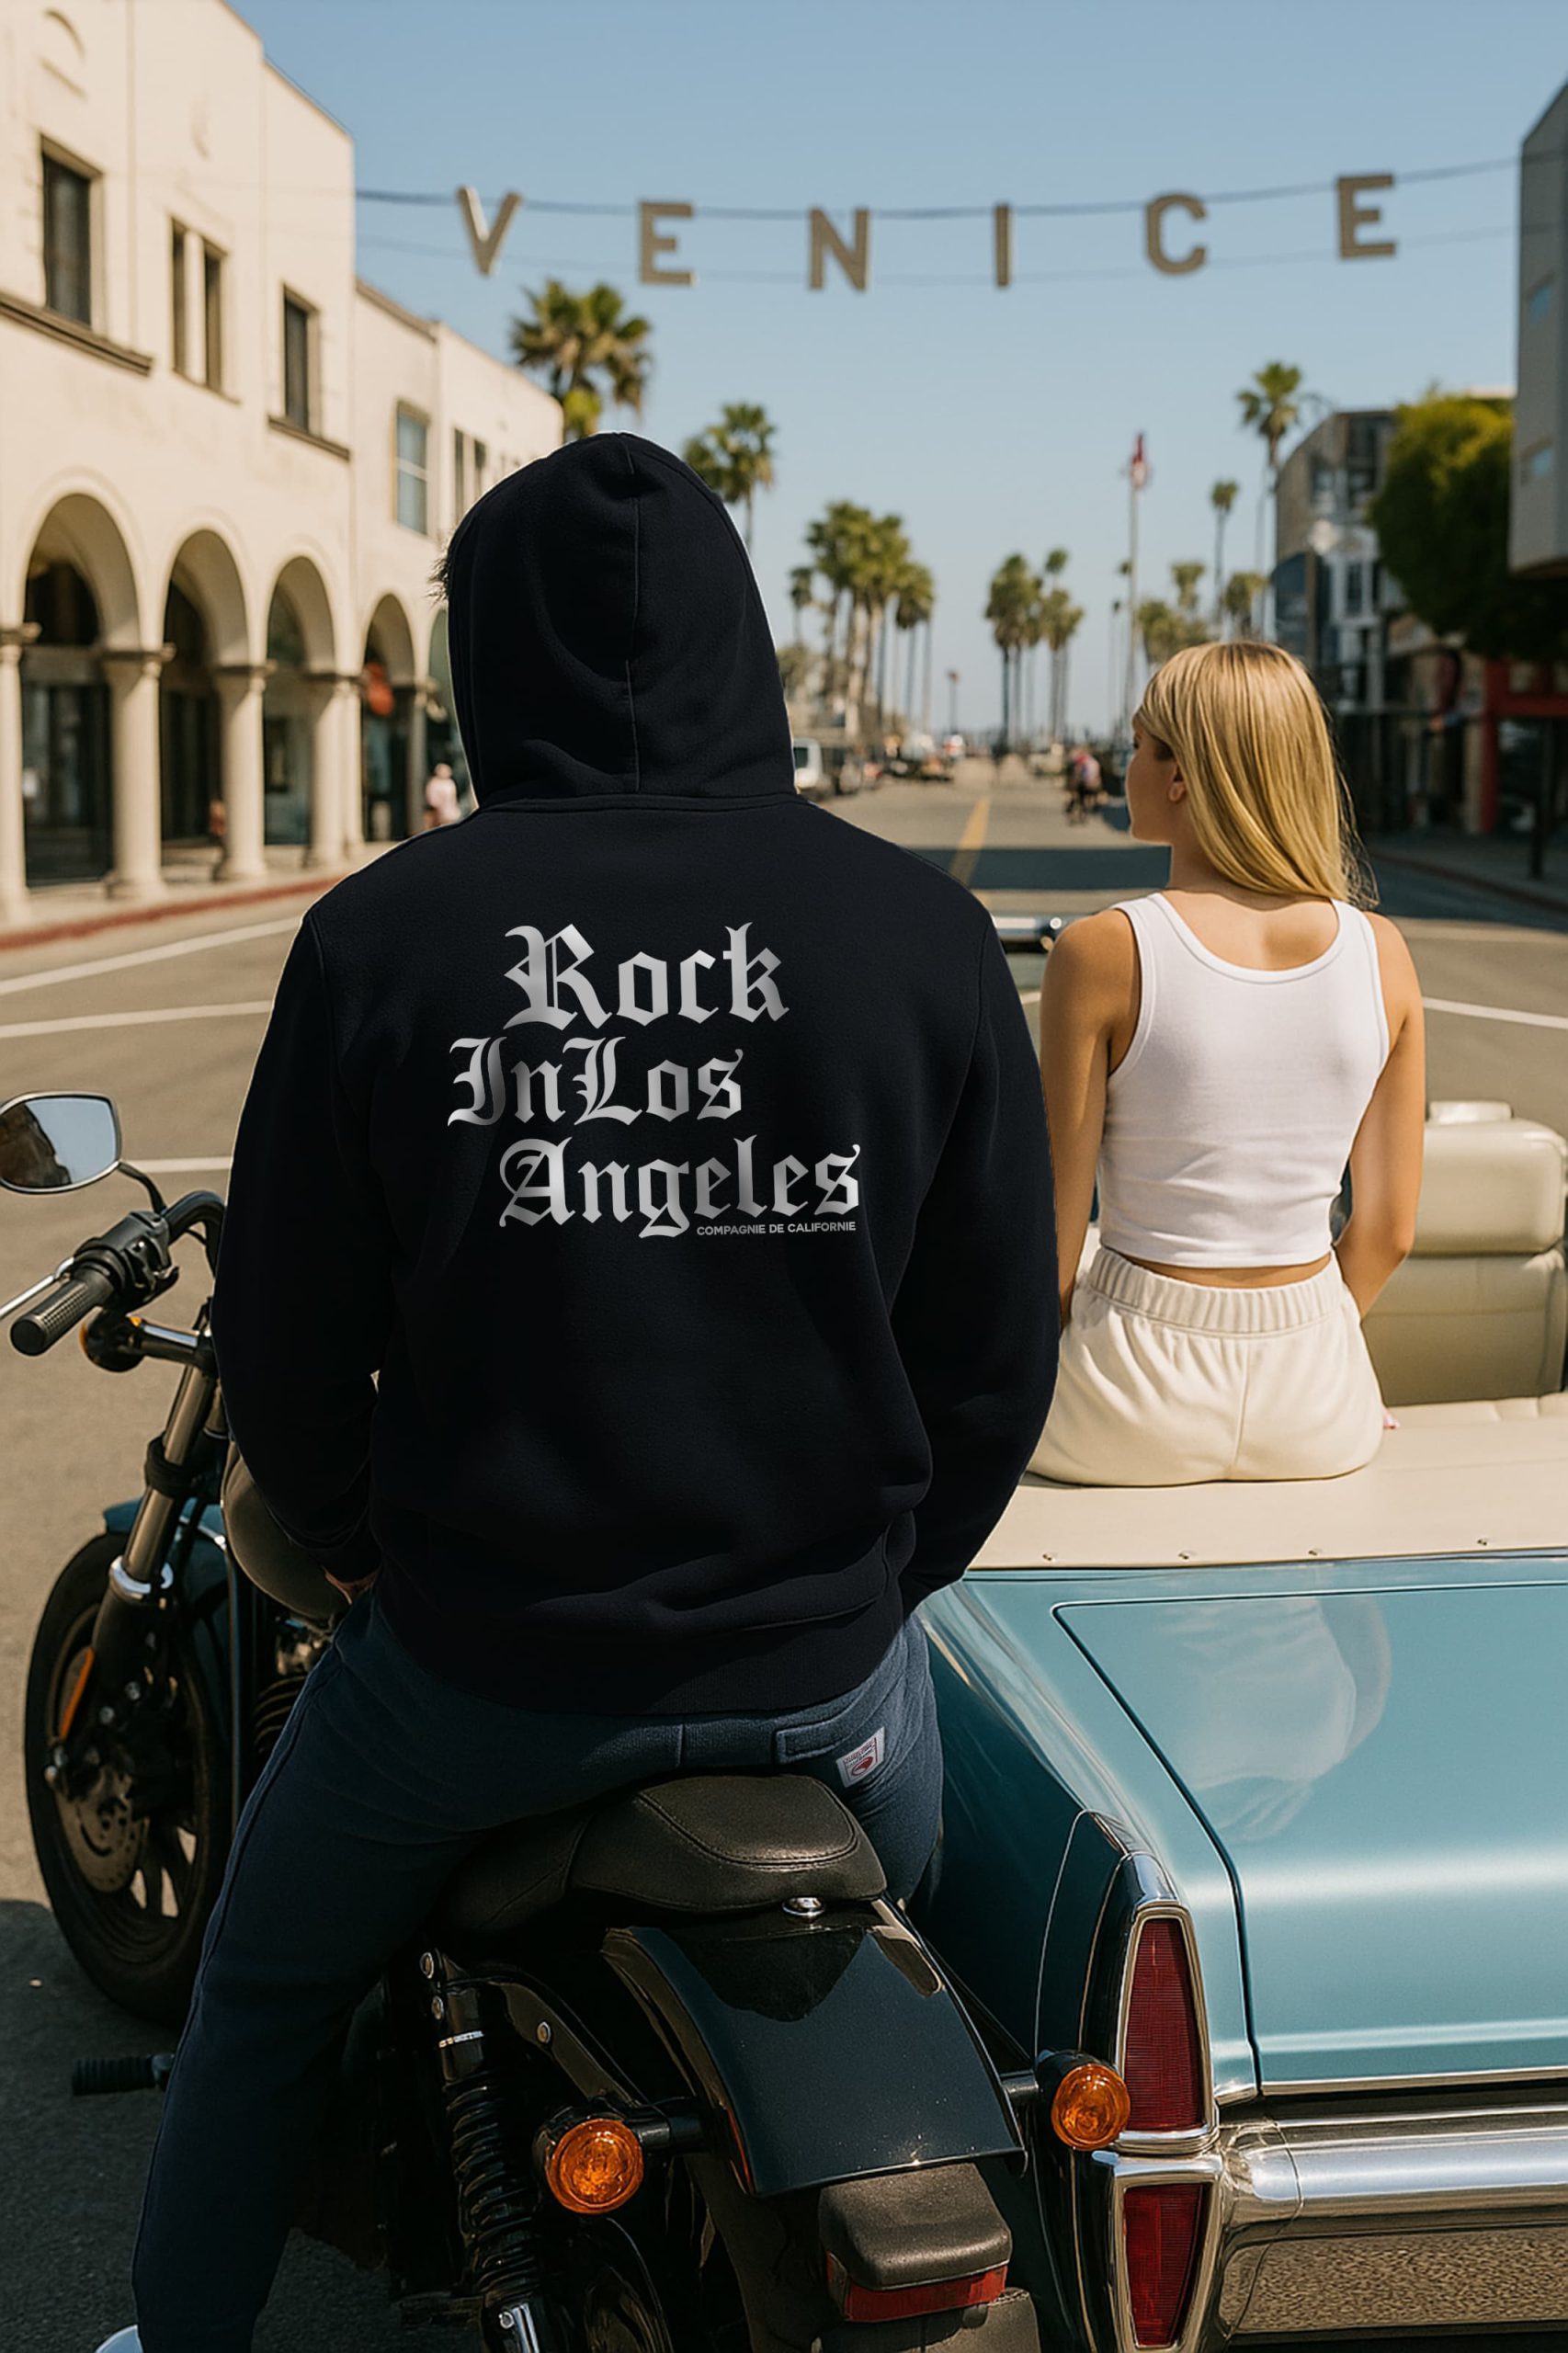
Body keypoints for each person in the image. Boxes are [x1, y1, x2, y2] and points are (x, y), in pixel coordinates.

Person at [113, 434, 1056, 2353]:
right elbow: (995, 1355)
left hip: (485, 1668)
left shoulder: (382, 938)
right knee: (940, 1955)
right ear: (742, 636)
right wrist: (878, 1573)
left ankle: (177, 2328)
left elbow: (287, 1337)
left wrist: (361, 1547)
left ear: (490, 658)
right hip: (827, 1679)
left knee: (264, 1982)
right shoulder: (924, 937)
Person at [1030, 638, 1424, 1487]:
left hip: (1129, 1397)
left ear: (1179, 775)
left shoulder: (1104, 950)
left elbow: (1051, 1239)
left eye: (1138, 745)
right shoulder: (1382, 953)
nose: (1125, 766)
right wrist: (1318, 1348)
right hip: (1320, 1402)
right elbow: (1390, 1230)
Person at [423, 757, 460, 827]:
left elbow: (453, 798)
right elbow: (432, 800)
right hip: (438, 813)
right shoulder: (434, 783)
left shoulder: (450, 783)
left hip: (450, 811)